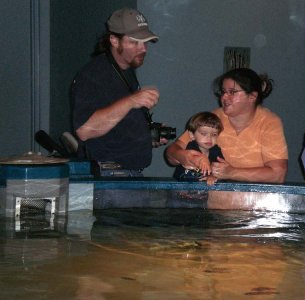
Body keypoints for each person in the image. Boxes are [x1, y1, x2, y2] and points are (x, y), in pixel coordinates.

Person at [71, 8, 165, 177]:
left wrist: (147, 137)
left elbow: (116, 125)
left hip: (129, 173)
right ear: (114, 40)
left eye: (145, 42)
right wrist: (131, 101)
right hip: (110, 177)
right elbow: (85, 130)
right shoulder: (93, 75)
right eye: (134, 42)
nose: (143, 49)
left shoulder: (126, 71)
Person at [166, 68, 288, 183]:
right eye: (223, 92)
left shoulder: (269, 122)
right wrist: (183, 156)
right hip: (214, 202)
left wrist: (231, 172)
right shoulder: (213, 118)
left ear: (252, 97)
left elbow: (278, 175)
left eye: (232, 92)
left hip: (256, 203)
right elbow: (171, 152)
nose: (224, 97)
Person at [173, 111, 224, 185]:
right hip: (182, 187)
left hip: (202, 191)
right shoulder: (190, 148)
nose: (209, 138)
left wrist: (213, 176)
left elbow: (221, 169)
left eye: (214, 134)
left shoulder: (216, 150)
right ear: (191, 135)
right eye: (204, 134)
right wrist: (200, 159)